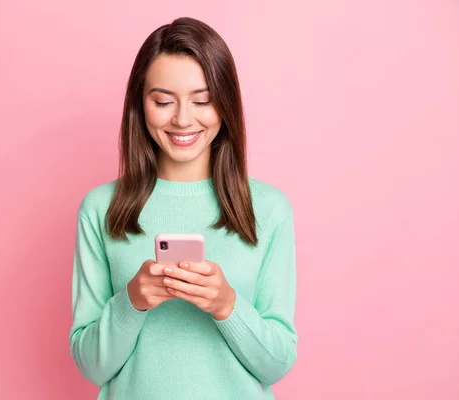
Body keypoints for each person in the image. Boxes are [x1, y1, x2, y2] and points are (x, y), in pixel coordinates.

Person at [69, 16, 297, 400]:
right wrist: (133, 301)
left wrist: (226, 304)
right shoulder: (100, 209)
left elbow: (277, 364)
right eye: (162, 101)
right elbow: (92, 367)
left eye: (202, 100)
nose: (182, 118)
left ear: (225, 104)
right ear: (140, 106)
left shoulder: (269, 209)